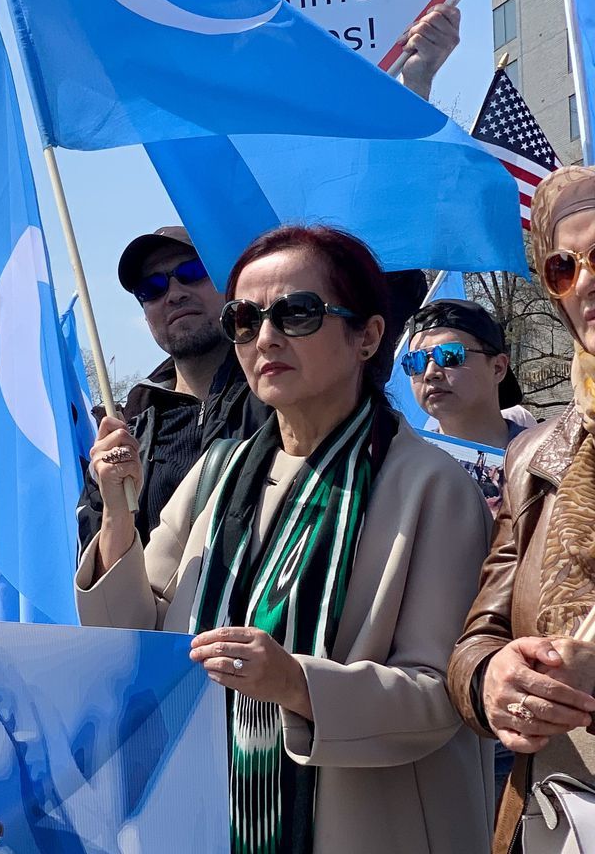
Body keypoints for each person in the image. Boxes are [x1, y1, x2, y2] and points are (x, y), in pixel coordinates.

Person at [80, 225, 493, 853]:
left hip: (364, 827)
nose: (265, 337)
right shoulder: (218, 472)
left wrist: (295, 684)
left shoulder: (432, 487)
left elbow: (443, 694)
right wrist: (116, 511)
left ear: (368, 336)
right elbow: (136, 641)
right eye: (244, 320)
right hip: (207, 818)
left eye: (297, 313)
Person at [449, 165, 595, 853]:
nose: (586, 282)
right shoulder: (533, 456)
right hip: (562, 815)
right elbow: (480, 635)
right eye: (564, 267)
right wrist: (491, 681)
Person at [77, 226, 268, 551]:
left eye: (192, 272)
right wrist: (113, 513)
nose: (175, 293)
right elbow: (96, 572)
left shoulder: (279, 400)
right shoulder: (125, 436)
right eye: (151, 288)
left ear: (229, 286)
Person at [401, 298, 527, 452]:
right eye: (415, 361)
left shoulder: (545, 456)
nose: (430, 373)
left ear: (498, 368)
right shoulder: (400, 463)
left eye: (450, 355)